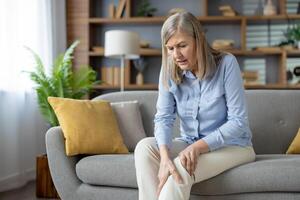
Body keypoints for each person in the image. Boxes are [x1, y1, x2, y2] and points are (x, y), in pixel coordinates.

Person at [134, 10, 256, 200]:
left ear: (198, 40)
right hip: (188, 142)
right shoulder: (168, 69)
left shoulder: (226, 63)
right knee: (145, 148)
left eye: (182, 45)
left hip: (234, 147)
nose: (176, 55)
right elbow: (164, 118)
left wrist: (197, 147)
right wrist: (165, 158)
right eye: (170, 48)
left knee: (181, 167)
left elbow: (238, 122)